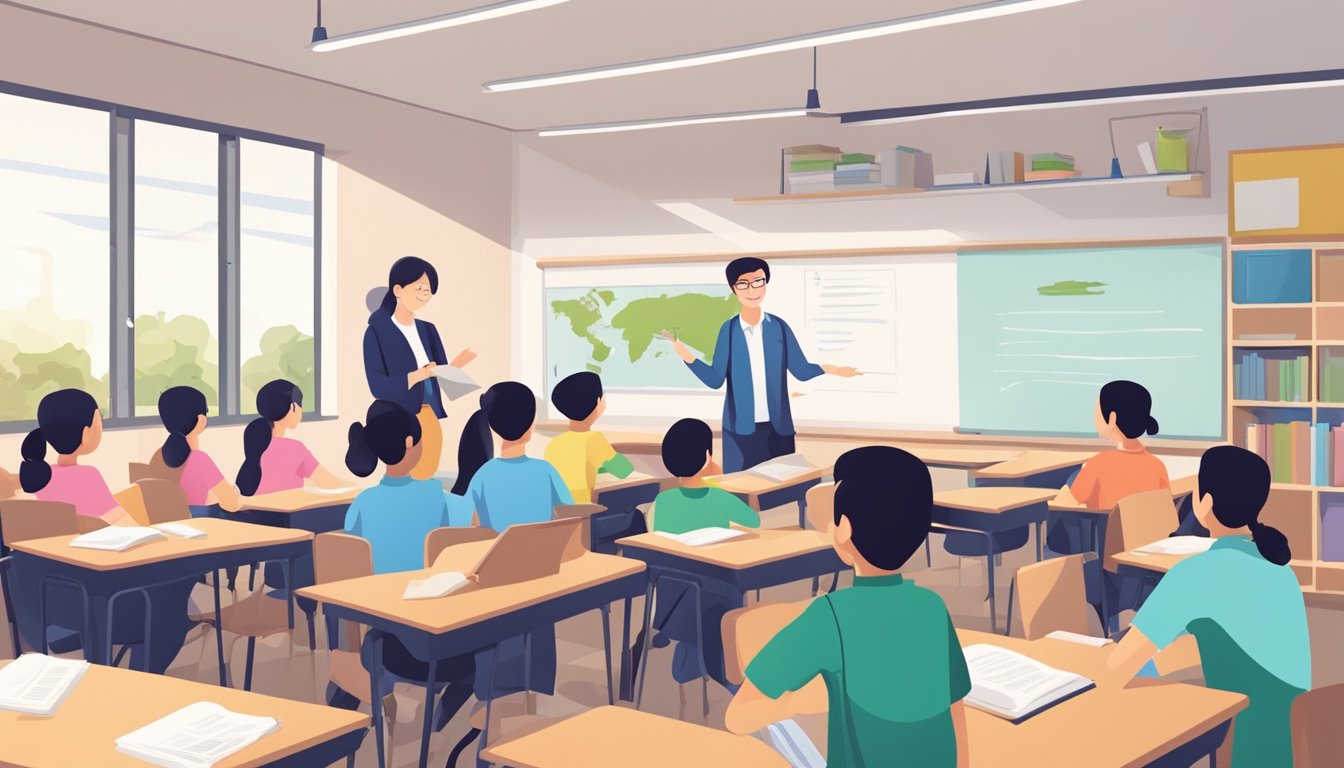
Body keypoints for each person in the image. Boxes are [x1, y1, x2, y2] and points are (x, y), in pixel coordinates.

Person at [726, 446, 971, 768]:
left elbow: (739, 716)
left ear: (843, 531)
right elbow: (955, 709)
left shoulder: (830, 615)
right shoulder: (933, 607)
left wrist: (809, 712)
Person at [1107, 445, 1309, 767]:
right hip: (1292, 740)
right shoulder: (1279, 566)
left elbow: (1118, 665)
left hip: (1240, 743)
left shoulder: (1194, 573)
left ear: (1205, 503)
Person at [331, 399, 475, 730]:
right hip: (443, 644)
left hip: (384, 643)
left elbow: (351, 565)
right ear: (411, 443)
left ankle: (361, 700)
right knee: (488, 647)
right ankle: (441, 722)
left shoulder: (362, 504)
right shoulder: (437, 496)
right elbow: (479, 526)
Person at [663, 256, 858, 473]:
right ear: (733, 289)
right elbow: (715, 379)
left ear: (766, 284)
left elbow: (800, 370)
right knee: (741, 493)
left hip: (779, 428)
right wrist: (687, 356)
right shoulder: (728, 331)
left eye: (758, 281)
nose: (752, 289)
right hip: (740, 432)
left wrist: (831, 369)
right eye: (743, 283)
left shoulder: (779, 327)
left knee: (783, 490)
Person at [643, 418, 761, 685]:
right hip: (716, 596)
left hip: (672, 600)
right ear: (708, 456)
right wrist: (717, 480)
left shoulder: (662, 501)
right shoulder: (720, 497)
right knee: (729, 586)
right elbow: (754, 521)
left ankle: (692, 648)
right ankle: (713, 659)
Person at [363, 256, 475, 481]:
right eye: (420, 288)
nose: (425, 295)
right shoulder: (377, 332)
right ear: (397, 289)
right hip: (399, 419)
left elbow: (441, 373)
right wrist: (419, 375)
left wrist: (456, 366)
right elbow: (378, 385)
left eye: (428, 291)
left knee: (427, 473)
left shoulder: (428, 330)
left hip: (429, 413)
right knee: (404, 478)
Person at [343, 400, 470, 574]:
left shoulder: (361, 502)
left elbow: (353, 553)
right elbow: (476, 522)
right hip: (424, 594)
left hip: (375, 595)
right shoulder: (434, 494)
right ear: (409, 441)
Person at [455, 381, 573, 530]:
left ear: (491, 425)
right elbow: (571, 513)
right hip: (541, 551)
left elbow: (467, 521)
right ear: (531, 424)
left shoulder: (483, 474)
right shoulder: (546, 470)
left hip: (496, 552)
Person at [19, 389, 132, 525]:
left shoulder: (38, 478)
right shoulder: (88, 476)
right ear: (86, 433)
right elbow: (118, 518)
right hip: (91, 542)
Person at [236, 379, 347, 496]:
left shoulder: (255, 444)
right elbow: (330, 484)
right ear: (293, 407)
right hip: (286, 513)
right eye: (301, 405)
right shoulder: (295, 449)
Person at [543, 371, 633, 504]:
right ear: (598, 401)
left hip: (559, 514)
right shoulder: (594, 439)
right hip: (584, 514)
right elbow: (624, 470)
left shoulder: (554, 443)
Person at [157, 386, 242, 518]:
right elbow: (232, 503)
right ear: (201, 419)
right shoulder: (199, 459)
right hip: (200, 527)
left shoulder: (158, 456)